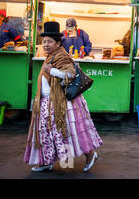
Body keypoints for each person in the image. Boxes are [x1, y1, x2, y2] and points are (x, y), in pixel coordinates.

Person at [24, 21, 102, 172]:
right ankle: (46, 161)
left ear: (58, 43)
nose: (46, 44)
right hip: (48, 102)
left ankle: (90, 155)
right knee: (47, 134)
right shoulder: (51, 55)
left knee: (70, 133)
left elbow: (71, 74)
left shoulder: (61, 55)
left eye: (49, 41)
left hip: (61, 103)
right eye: (44, 41)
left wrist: (52, 70)